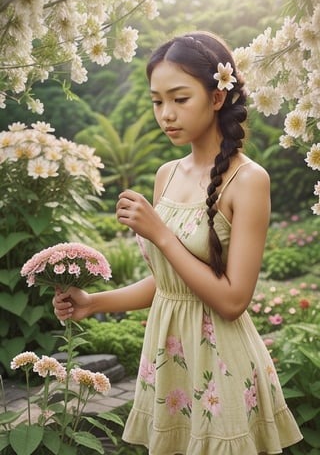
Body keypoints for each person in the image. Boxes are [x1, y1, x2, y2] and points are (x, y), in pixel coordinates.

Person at [53, 31, 302, 454]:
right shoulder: (166, 175)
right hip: (170, 368)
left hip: (220, 368)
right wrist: (94, 302)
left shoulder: (248, 180)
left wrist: (161, 234)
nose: (166, 114)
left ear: (217, 97)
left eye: (180, 98)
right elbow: (169, 283)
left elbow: (232, 300)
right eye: (157, 101)